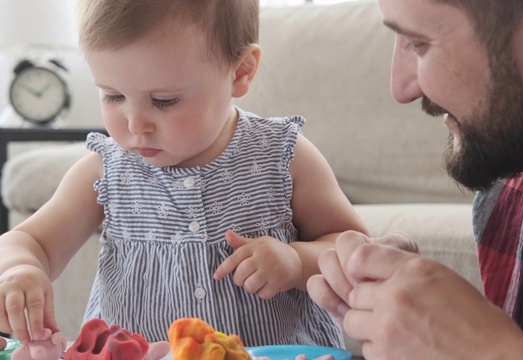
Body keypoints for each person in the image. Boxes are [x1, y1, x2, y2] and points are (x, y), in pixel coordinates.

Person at [0, 0, 368, 350]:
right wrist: (20, 269)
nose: (135, 124)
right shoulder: (106, 171)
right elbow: (30, 241)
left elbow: (353, 251)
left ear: (241, 72)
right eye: (112, 96)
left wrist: (296, 261)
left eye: (164, 101)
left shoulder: (282, 155)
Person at [307, 0, 523, 359]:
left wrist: (487, 349)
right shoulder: (509, 200)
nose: (401, 89)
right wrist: (425, 324)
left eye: (418, 44)